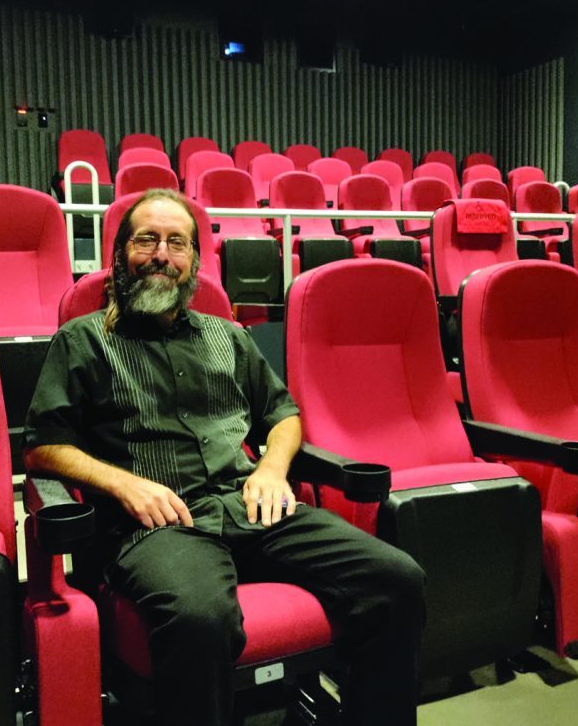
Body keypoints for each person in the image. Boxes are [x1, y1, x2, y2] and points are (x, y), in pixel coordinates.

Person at [23, 188, 425, 726]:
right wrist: (123, 483)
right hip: (159, 525)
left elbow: (283, 415)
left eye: (177, 243)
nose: (162, 254)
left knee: (397, 578)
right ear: (119, 256)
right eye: (147, 240)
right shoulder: (83, 341)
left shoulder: (227, 337)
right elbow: (43, 447)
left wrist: (271, 468)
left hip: (249, 506)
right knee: (200, 618)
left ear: (193, 262)